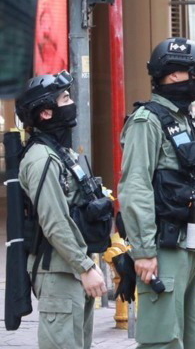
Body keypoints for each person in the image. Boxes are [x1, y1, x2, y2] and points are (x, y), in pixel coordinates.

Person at [119, 37, 195, 349]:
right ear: (174, 75)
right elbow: (135, 187)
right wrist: (142, 251)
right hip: (163, 247)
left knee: (191, 339)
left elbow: (194, 177)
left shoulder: (184, 120)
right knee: (162, 341)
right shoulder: (147, 121)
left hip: (191, 245)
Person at [16, 71, 109, 349]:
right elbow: (54, 221)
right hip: (59, 271)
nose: (71, 102)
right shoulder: (41, 158)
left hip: (70, 268)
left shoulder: (60, 154)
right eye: (65, 98)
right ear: (46, 113)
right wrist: (84, 266)